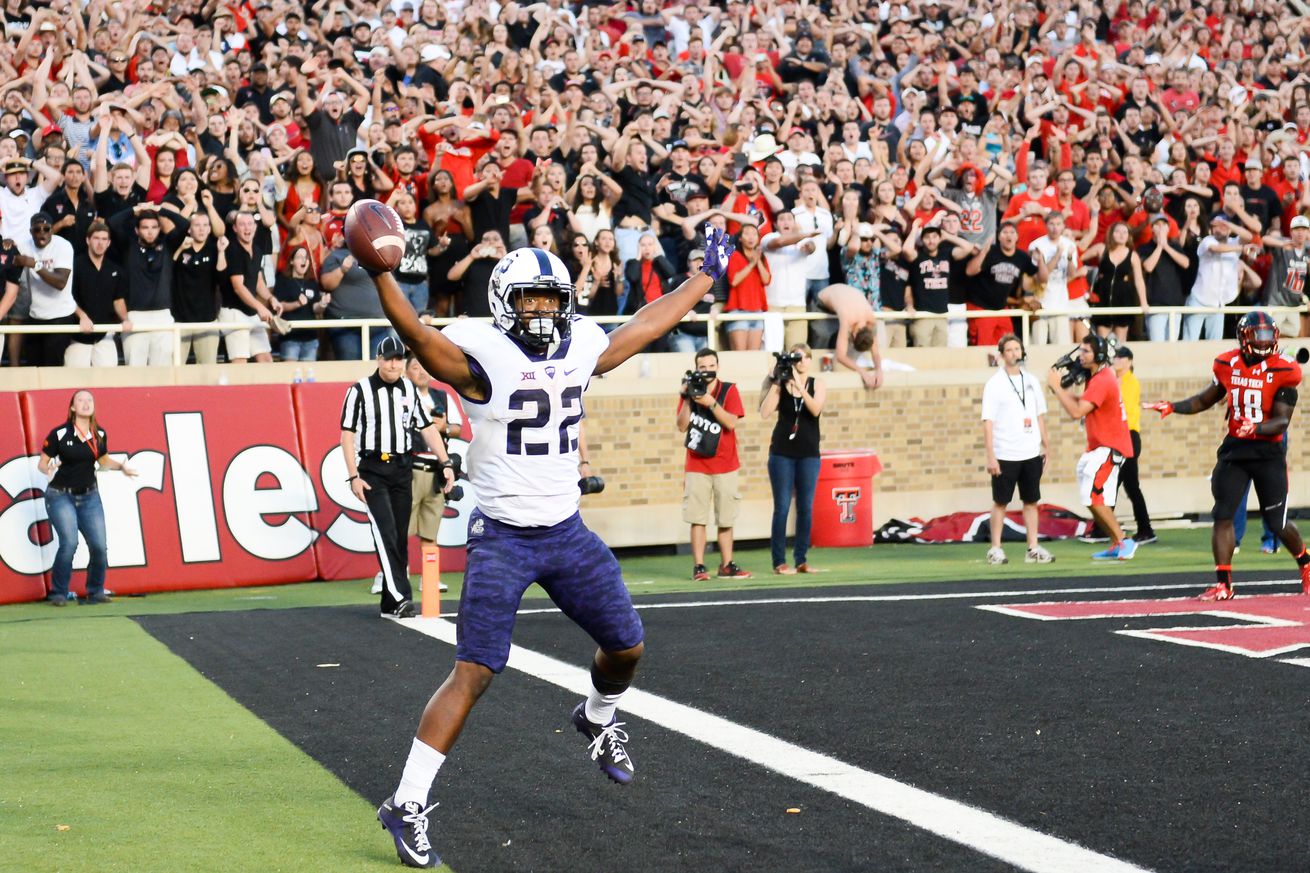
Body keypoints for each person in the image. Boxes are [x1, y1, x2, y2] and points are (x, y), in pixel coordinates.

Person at [366, 216, 736, 868]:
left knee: (627, 643)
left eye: (550, 301)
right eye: (529, 301)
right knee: (474, 669)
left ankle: (596, 716)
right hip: (505, 535)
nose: (541, 312)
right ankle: (408, 800)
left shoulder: (580, 343)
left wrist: (704, 276)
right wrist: (380, 273)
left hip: (565, 530)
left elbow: (644, 325)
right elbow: (419, 337)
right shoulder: (482, 356)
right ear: (505, 305)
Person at [1144, 311, 1310, 601]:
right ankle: (1224, 583)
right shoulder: (1226, 363)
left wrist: (1256, 426)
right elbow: (1204, 399)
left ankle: (1306, 564)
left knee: (1276, 522)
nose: (1264, 341)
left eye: (1268, 335)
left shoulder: (1286, 369)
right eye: (1258, 335)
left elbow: (1282, 420)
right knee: (1222, 514)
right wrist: (1173, 406)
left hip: (1268, 451)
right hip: (1235, 449)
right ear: (1244, 337)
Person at [339, 336, 442, 619]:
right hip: (373, 469)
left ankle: (388, 600)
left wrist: (445, 461)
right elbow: (346, 435)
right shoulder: (359, 390)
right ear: (378, 359)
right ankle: (401, 596)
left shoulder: (409, 388)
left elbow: (427, 427)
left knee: (398, 536)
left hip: (402, 468)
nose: (394, 363)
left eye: (399, 359)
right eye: (389, 358)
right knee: (385, 533)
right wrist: (353, 476)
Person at [37, 390, 137, 606]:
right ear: (72, 407)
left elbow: (103, 461)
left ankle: (95, 590)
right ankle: (59, 593)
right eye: (80, 400)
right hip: (61, 495)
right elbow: (42, 463)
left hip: (89, 496)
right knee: (69, 543)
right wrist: (50, 468)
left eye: (89, 400)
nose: (85, 403)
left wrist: (121, 467)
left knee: (99, 545)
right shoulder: (60, 433)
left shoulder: (99, 433)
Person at [1045, 333, 1138, 561]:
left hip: (1109, 446)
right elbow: (1081, 403)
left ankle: (1124, 542)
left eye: (1086, 351)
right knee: (1091, 496)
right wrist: (1062, 391)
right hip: (1098, 447)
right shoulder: (1097, 377)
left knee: (1092, 497)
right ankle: (1117, 542)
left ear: (1099, 354)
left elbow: (1076, 411)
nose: (1081, 356)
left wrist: (1057, 388)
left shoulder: (1103, 378)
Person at [677, 346, 752, 582]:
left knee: (726, 518)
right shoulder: (689, 391)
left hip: (726, 464)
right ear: (696, 369)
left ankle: (726, 564)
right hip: (697, 464)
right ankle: (699, 566)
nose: (707, 371)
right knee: (697, 518)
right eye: (703, 367)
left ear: (718, 367)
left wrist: (710, 402)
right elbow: (681, 426)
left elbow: (731, 422)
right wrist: (687, 397)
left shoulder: (729, 389)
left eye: (711, 366)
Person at [981, 334, 1053, 565]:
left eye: (1017, 349)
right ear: (1002, 355)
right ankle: (995, 548)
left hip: (1030, 451)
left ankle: (1032, 546)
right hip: (1005, 452)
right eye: (1009, 350)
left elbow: (1039, 415)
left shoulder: (1031, 380)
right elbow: (988, 422)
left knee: (1031, 501)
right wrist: (991, 455)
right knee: (1001, 502)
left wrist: (1047, 446)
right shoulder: (994, 384)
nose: (1014, 353)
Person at [759, 343, 825, 575]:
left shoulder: (816, 383)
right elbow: (765, 412)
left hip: (808, 454)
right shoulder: (781, 385)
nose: (801, 361)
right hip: (782, 454)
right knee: (783, 507)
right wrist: (777, 381)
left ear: (810, 359)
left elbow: (815, 409)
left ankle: (801, 559)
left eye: (805, 357)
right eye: (796, 357)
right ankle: (779, 561)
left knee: (806, 507)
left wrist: (799, 384)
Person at [404, 351, 456, 595]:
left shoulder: (442, 396)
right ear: (406, 372)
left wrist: (445, 427)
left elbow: (457, 427)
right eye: (416, 367)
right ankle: (393, 575)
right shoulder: (401, 397)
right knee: (400, 528)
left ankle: (430, 578)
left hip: (436, 468)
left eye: (425, 365)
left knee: (430, 527)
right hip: (409, 467)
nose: (422, 371)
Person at [1109, 346, 1156, 544]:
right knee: (1124, 485)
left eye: (1121, 357)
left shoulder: (1129, 382)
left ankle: (1104, 528)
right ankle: (1144, 528)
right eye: (1116, 356)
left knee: (1115, 485)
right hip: (1120, 437)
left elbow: (1123, 411)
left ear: (1129, 361)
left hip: (1127, 437)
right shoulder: (1116, 381)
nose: (1117, 360)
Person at [815, 284, 883, 389]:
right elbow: (840, 356)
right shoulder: (848, 318)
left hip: (844, 295)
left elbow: (876, 353)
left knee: (839, 341)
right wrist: (862, 372)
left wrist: (879, 370)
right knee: (822, 336)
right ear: (854, 335)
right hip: (822, 300)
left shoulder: (871, 320)